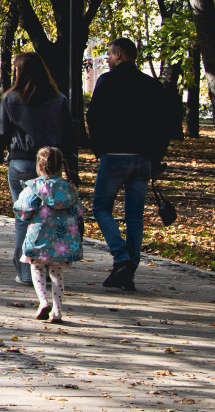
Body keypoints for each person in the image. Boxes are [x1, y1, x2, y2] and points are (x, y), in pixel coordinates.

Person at [87, 37, 172, 291]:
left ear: (120, 54)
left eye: (111, 55)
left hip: (113, 155)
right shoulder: (152, 85)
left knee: (101, 207)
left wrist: (99, 149)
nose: (109, 60)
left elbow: (94, 116)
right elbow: (162, 124)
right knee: (135, 217)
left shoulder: (107, 82)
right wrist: (156, 158)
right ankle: (128, 274)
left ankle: (120, 256)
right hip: (143, 158)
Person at [0, 53, 75, 285]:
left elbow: (0, 133)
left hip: (21, 163)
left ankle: (26, 272)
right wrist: (71, 168)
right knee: (51, 216)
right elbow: (68, 136)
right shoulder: (58, 99)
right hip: (51, 164)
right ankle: (49, 267)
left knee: (23, 218)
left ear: (20, 72)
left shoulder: (10, 99)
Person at [14, 146, 85, 323]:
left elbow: (23, 209)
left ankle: (43, 301)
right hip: (63, 239)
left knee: (37, 267)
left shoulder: (35, 186)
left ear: (39, 165)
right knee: (56, 271)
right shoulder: (69, 188)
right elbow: (79, 211)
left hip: (39, 236)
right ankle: (58, 311)